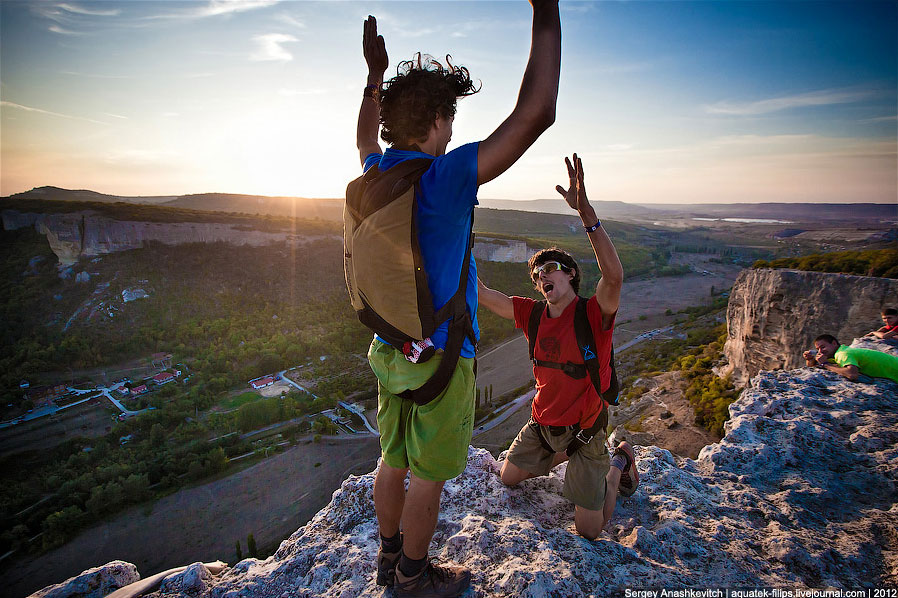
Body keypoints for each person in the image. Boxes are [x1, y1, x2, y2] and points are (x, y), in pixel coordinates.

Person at [355, 3, 561, 596]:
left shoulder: (377, 171)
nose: (451, 132)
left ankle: (387, 556)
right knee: (428, 477)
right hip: (443, 358)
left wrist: (374, 76)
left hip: (391, 346)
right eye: (449, 120)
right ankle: (413, 577)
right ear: (437, 120)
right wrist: (545, 13)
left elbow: (363, 135)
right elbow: (537, 113)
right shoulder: (443, 177)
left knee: (392, 458)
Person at [478, 154, 639, 541]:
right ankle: (565, 460)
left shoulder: (592, 315)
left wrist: (587, 216)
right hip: (542, 426)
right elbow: (483, 293)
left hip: (585, 431)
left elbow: (614, 276)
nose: (541, 277)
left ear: (570, 275)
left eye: (549, 269)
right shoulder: (532, 314)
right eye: (537, 275)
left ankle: (617, 463)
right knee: (508, 477)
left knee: (589, 530)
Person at [803, 334, 898, 383]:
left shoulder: (843, 354)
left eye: (823, 347)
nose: (820, 351)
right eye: (818, 349)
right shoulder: (841, 351)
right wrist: (810, 359)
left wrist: (826, 365)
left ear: (834, 343)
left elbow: (852, 374)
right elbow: (813, 366)